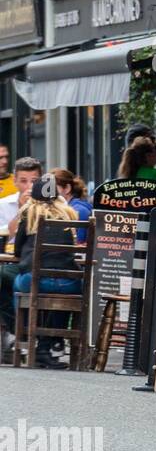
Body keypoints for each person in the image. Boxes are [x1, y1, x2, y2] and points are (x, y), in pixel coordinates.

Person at [9, 176, 80, 369]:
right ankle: (48, 345)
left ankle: (23, 338)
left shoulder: (30, 213)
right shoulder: (68, 214)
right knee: (61, 297)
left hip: (36, 280)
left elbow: (17, 251)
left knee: (17, 284)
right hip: (69, 282)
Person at [0, 157, 42, 339]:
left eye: (34, 181)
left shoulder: (56, 203)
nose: (29, 186)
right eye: (23, 181)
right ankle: (18, 329)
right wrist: (22, 209)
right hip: (15, 262)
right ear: (15, 181)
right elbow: (8, 238)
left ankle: (25, 333)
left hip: (42, 264)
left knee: (8, 277)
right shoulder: (4, 205)